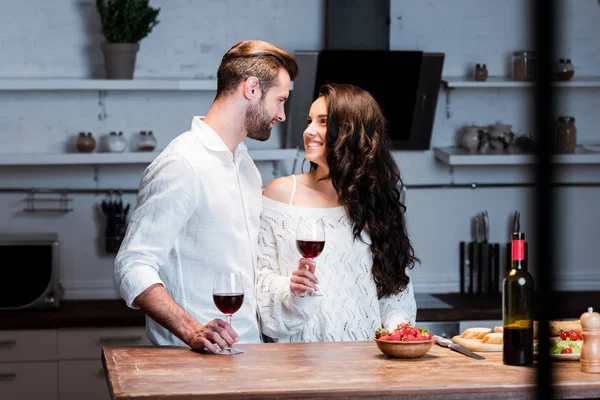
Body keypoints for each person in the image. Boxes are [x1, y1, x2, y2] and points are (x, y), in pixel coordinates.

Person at [114, 40, 298, 353]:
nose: (281, 114)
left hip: (249, 353)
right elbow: (132, 265)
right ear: (252, 88)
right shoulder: (182, 164)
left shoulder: (246, 166)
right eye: (280, 100)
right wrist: (191, 330)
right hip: (192, 362)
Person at [257, 83, 419, 342]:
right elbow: (259, 278)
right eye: (309, 121)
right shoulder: (280, 194)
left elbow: (394, 291)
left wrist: (400, 337)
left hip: (367, 364)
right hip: (298, 365)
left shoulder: (376, 203)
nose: (309, 131)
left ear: (351, 132)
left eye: (323, 122)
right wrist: (291, 289)